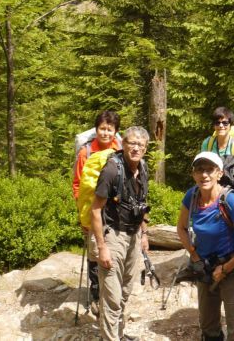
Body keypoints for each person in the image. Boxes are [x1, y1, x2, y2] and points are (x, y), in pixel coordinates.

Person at [177, 151, 234, 341]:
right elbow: (181, 228)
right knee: (208, 325)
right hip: (204, 267)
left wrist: (225, 268)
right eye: (199, 170)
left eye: (209, 170)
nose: (204, 175)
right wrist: (194, 256)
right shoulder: (192, 195)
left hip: (233, 269)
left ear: (219, 173)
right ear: (193, 174)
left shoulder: (228, 200)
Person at [91, 125, 150, 341]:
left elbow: (142, 204)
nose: (136, 148)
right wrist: (102, 247)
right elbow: (95, 210)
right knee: (112, 296)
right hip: (112, 235)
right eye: (131, 143)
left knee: (125, 291)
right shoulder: (112, 170)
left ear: (145, 149)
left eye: (140, 145)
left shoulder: (142, 168)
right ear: (123, 144)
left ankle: (119, 333)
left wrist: (144, 234)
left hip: (133, 234)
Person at [73, 110, 122, 303]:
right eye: (102, 129)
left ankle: (111, 292)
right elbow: (77, 183)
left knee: (114, 247)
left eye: (110, 130)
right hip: (92, 207)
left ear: (115, 131)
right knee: (95, 250)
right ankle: (96, 293)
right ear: (96, 129)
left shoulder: (120, 148)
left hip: (115, 209)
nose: (105, 133)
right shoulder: (86, 152)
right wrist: (82, 210)